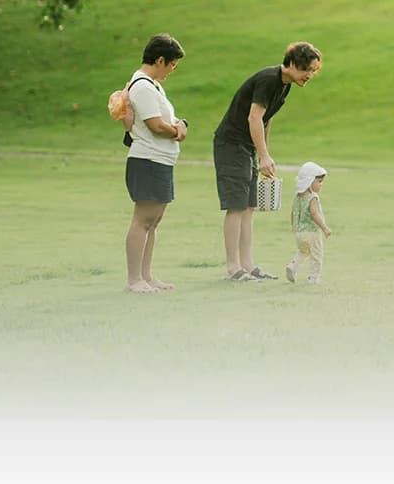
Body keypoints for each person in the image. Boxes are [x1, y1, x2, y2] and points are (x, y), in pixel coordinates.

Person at [214, 41, 323, 282]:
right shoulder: (269, 80)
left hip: (247, 146)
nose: (310, 75)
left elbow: (266, 119)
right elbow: (254, 117)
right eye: (307, 70)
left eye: (314, 71)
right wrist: (262, 155)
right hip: (231, 144)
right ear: (293, 64)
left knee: (249, 206)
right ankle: (233, 268)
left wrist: (265, 153)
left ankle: (248, 265)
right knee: (237, 205)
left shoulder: (285, 86)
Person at [121, 33, 188, 294]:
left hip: (160, 160)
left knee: (153, 221)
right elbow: (155, 125)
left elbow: (166, 119)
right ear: (160, 60)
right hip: (147, 160)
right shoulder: (142, 86)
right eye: (171, 64)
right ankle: (134, 279)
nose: (172, 70)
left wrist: (180, 123)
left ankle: (146, 276)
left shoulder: (153, 85)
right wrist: (178, 131)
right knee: (143, 220)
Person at [285, 161, 331, 284]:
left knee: (303, 251)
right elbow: (315, 215)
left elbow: (293, 212)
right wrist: (324, 228)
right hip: (312, 232)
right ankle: (313, 277)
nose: (321, 185)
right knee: (317, 255)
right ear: (309, 182)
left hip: (300, 232)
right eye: (319, 182)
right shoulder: (312, 198)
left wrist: (294, 226)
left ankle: (293, 265)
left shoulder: (297, 197)